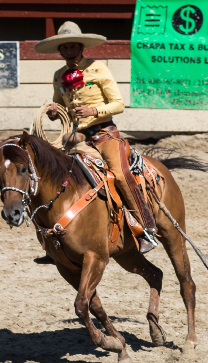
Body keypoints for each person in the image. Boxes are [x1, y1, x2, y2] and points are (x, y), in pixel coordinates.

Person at [34, 21, 158, 253]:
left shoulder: (98, 69)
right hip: (76, 137)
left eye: (72, 47)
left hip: (104, 134)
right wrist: (52, 112)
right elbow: (58, 109)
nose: (69, 51)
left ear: (81, 47)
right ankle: (52, 242)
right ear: (59, 51)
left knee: (120, 176)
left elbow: (118, 105)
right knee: (52, 176)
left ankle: (146, 229)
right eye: (64, 48)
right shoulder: (59, 76)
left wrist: (94, 111)